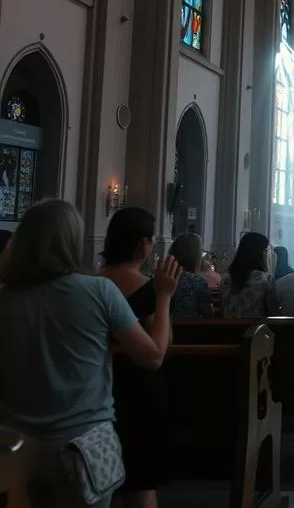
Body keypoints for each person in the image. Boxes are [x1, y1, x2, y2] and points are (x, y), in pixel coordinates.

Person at [0, 200, 178, 508]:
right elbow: (152, 356)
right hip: (82, 445)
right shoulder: (97, 291)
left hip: (15, 444)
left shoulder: (6, 297)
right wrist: (162, 297)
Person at [97, 207, 181, 507]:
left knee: (102, 478)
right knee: (141, 483)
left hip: (100, 388)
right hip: (140, 388)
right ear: (143, 245)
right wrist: (165, 296)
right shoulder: (149, 288)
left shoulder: (93, 283)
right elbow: (162, 343)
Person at [222, 232, 278, 317]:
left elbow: (223, 309)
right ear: (261, 253)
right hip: (257, 329)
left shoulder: (226, 278)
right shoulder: (267, 279)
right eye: (266, 251)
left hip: (229, 328)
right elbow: (272, 312)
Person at [169, 232, 213, 318]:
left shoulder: (165, 277)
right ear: (195, 255)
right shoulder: (199, 281)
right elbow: (208, 313)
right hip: (191, 329)